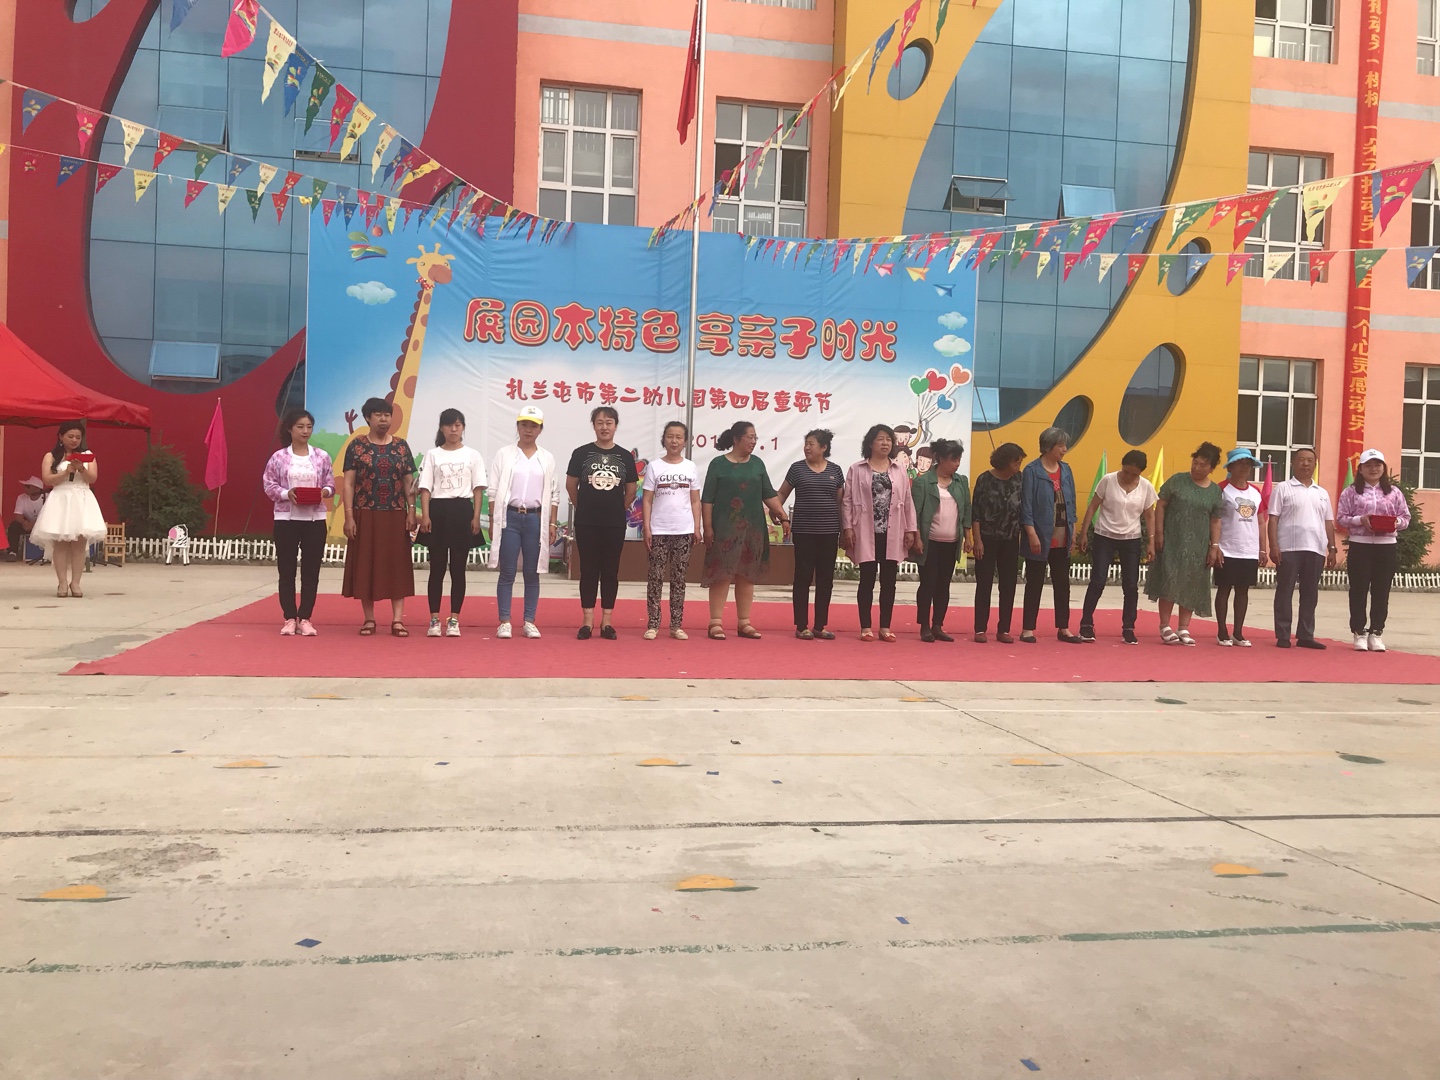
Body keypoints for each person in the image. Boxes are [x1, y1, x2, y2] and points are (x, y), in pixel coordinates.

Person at [701, 420, 789, 639]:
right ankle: (715, 622)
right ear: (736, 439)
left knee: (747, 575)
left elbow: (768, 494)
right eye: (750, 437)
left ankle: (744, 623)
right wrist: (708, 527)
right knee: (722, 574)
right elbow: (707, 499)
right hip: (724, 529)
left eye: (755, 438)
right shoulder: (718, 464)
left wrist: (783, 516)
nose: (753, 441)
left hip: (752, 529)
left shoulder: (757, 464)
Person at [341, 396, 417, 636]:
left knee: (397, 565)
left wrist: (412, 511)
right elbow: (348, 483)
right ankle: (369, 619)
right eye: (378, 415)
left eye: (387, 415)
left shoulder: (401, 446)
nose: (384, 419)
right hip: (365, 513)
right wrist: (349, 516)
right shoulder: (357, 446)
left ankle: (397, 620)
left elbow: (408, 482)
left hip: (396, 514)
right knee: (366, 565)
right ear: (367, 418)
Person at [487, 404, 560, 640]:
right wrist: (493, 520)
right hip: (509, 518)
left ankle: (529, 620)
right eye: (524, 425)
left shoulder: (546, 458)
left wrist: (551, 524)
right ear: (517, 426)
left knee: (532, 572)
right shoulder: (504, 454)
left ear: (540, 429)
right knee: (507, 571)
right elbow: (493, 490)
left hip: (535, 519)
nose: (528, 430)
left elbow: (554, 494)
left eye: (534, 426)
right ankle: (504, 621)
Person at [566, 406, 639, 640]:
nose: (604, 427)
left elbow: (631, 490)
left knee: (610, 571)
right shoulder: (581, 453)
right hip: (586, 522)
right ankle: (587, 621)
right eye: (600, 422)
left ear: (615, 426)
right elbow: (571, 486)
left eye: (609, 422)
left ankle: (607, 622)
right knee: (588, 570)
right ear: (594, 425)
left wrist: (616, 509)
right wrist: (583, 507)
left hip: (614, 524)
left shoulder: (625, 456)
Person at [261, 409, 335, 636]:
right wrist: (287, 494)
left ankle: (305, 618)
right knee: (287, 570)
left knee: (311, 571)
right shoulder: (279, 458)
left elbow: (330, 485)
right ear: (289, 429)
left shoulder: (321, 456)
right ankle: (289, 618)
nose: (305, 431)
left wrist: (323, 492)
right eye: (300, 427)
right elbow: (269, 484)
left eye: (309, 427)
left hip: (315, 519)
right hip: (286, 519)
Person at [842, 424, 918, 642]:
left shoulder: (899, 469)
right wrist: (848, 527)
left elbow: (908, 501)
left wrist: (910, 529)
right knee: (866, 580)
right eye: (880, 439)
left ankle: (885, 626)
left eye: (889, 439)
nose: (885, 443)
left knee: (889, 582)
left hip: (892, 531)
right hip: (866, 530)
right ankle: (865, 626)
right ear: (870, 443)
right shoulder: (857, 469)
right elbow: (847, 501)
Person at [417, 408, 486, 639]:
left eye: (458, 425)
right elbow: (425, 488)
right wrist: (426, 516)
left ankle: (454, 619)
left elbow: (478, 489)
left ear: (463, 427)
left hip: (462, 511)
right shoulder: (433, 455)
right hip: (437, 511)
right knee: (436, 569)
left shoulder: (473, 455)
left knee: (458, 569)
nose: (453, 429)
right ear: (442, 428)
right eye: (449, 425)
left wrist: (475, 517)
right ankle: (434, 619)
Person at [1146, 442, 1224, 645]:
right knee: (1170, 580)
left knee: (1192, 582)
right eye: (1195, 462)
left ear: (1212, 468)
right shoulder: (1177, 480)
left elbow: (1215, 520)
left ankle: (1183, 627)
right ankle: (1165, 625)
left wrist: (1214, 546)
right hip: (1172, 539)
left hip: (1198, 545)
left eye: (1203, 465)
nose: (1197, 468)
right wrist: (1159, 533)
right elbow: (1160, 505)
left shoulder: (1215, 491)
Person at [1076, 450, 1156, 645]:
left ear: (1141, 473)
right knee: (1098, 580)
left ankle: (1129, 627)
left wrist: (1151, 542)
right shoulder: (1108, 480)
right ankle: (1086, 624)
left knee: (1131, 585)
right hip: (1105, 535)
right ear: (1121, 466)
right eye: (1126, 471)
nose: (1128, 476)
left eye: (1134, 474)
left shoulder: (1146, 486)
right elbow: (1093, 506)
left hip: (1131, 538)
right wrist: (1084, 533)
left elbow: (1149, 515)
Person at [1336, 448, 1409, 652]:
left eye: (1377, 465)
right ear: (1360, 469)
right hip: (1360, 545)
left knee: (1381, 590)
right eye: (1368, 465)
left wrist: (1395, 523)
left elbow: (1405, 518)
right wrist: (1360, 520)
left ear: (1383, 468)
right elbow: (1341, 518)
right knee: (1358, 589)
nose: (1373, 469)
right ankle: (1359, 632)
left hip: (1386, 546)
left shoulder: (1394, 492)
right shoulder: (1351, 492)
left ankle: (1376, 632)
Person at [1267, 447, 1336, 650]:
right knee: (1284, 591)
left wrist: (1332, 548)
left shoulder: (1321, 493)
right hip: (1289, 548)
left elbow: (1328, 522)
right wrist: (1273, 545)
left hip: (1315, 548)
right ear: (1293, 463)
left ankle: (1306, 635)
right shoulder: (1283, 488)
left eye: (1310, 460)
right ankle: (1283, 634)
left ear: (1315, 464)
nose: (1305, 464)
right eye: (1301, 460)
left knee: (1310, 593)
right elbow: (1273, 518)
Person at [778, 428, 845, 640]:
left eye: (811, 444)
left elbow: (841, 503)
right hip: (804, 531)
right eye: (806, 443)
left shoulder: (836, 471)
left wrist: (844, 530)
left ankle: (819, 625)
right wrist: (777, 513)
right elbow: (782, 494)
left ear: (823, 447)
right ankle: (801, 625)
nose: (807, 447)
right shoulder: (797, 469)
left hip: (829, 532)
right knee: (803, 577)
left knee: (826, 579)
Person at [1019, 427, 1080, 644]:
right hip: (1040, 536)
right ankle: (1027, 629)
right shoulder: (1032, 471)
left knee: (1062, 583)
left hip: (1063, 535)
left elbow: (1072, 502)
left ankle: (1063, 628)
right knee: (1034, 582)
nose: (1064, 449)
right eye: (1060, 445)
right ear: (1048, 447)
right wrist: (1031, 534)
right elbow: (1026, 505)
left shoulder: (1066, 470)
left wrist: (1073, 530)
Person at [32, 420, 106, 597]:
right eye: (70, 436)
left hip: (81, 498)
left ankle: (76, 583)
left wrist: (81, 469)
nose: (74, 440)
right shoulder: (51, 456)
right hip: (61, 498)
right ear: (61, 436)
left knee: (79, 544)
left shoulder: (88, 455)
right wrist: (66, 472)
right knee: (61, 545)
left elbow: (93, 478)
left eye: (78, 437)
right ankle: (62, 583)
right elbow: (47, 479)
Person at [642, 420, 701, 640]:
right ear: (664, 440)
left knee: (679, 579)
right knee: (655, 578)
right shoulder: (654, 467)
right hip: (659, 530)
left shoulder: (690, 467)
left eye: (678, 437)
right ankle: (653, 624)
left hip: (683, 530)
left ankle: (676, 625)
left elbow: (695, 500)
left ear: (685, 442)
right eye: (670, 436)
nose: (674, 441)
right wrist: (647, 527)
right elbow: (647, 500)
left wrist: (696, 526)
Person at [911, 439, 971, 642]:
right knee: (928, 583)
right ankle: (924, 626)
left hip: (951, 542)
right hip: (930, 543)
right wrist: (917, 538)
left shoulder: (961, 482)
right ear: (941, 459)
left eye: (959, 459)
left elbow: (966, 511)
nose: (957, 464)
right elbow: (915, 513)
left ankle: (938, 625)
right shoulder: (923, 482)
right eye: (954, 459)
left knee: (944, 585)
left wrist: (968, 537)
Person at [971, 442, 1026, 643]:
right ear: (1004, 461)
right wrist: (977, 540)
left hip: (1011, 539)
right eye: (1015, 463)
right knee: (984, 584)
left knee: (1008, 585)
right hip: (986, 538)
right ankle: (980, 629)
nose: (1018, 467)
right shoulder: (984, 479)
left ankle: (1004, 629)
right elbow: (976, 513)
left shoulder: (1020, 479)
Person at [1213, 448, 1267, 647]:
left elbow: (1261, 521)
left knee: (1243, 591)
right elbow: (1215, 519)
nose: (1244, 468)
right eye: (1240, 464)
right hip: (1227, 547)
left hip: (1249, 550)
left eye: (1248, 464)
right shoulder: (1221, 489)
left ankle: (1238, 632)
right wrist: (1215, 545)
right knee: (1224, 589)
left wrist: (1263, 549)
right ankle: (1222, 631)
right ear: (1231, 467)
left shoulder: (1255, 492)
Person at [7, 476, 46, 561]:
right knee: (14, 526)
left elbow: (49, 515)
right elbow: (17, 514)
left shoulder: (46, 497)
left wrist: (35, 524)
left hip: (42, 524)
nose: (25, 488)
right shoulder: (21, 497)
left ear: (37, 488)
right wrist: (24, 522)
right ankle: (12, 552)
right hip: (27, 524)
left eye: (28, 486)